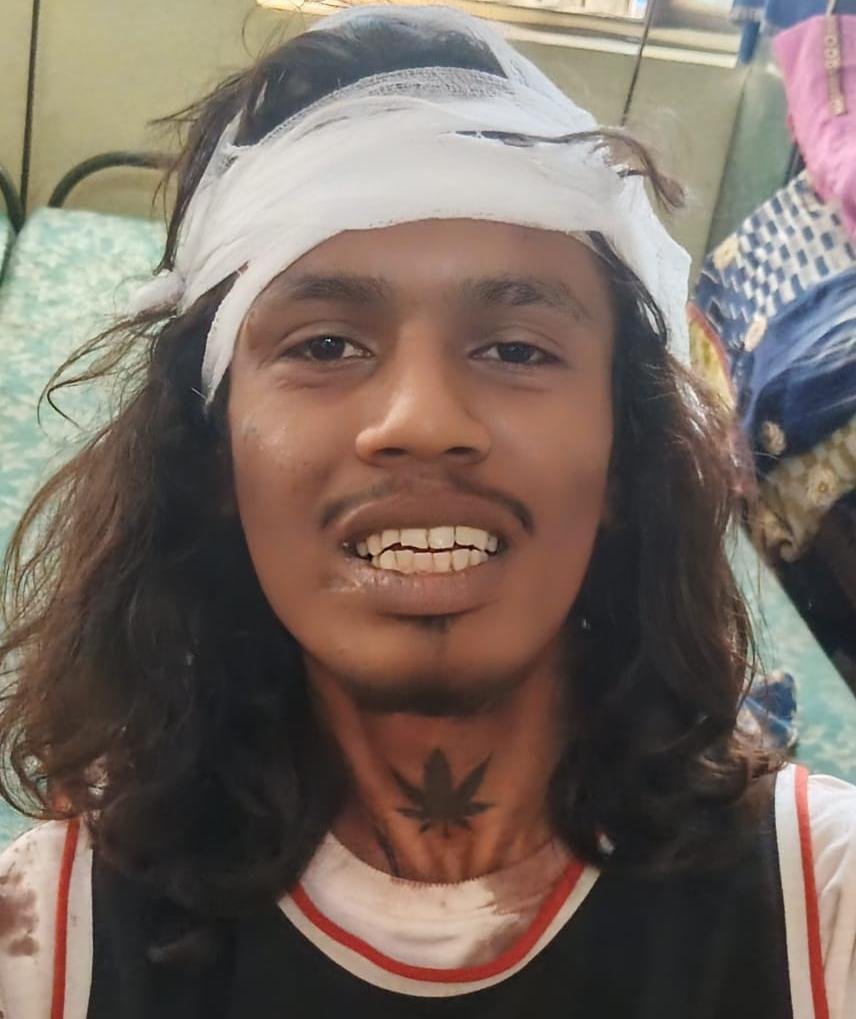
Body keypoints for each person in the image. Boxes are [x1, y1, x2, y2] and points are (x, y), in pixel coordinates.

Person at [0, 5, 854, 1017]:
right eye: (325, 345)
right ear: (212, 455)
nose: (423, 420)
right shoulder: (49, 940)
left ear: (626, 456)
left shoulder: (821, 909)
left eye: (516, 348)